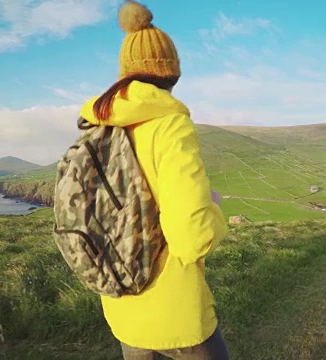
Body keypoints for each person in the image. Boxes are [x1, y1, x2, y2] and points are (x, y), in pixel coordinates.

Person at [77, 1, 230, 359]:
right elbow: (192, 238)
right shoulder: (170, 125)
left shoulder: (99, 126)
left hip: (121, 306)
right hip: (176, 316)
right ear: (172, 72)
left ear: (125, 73)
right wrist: (216, 210)